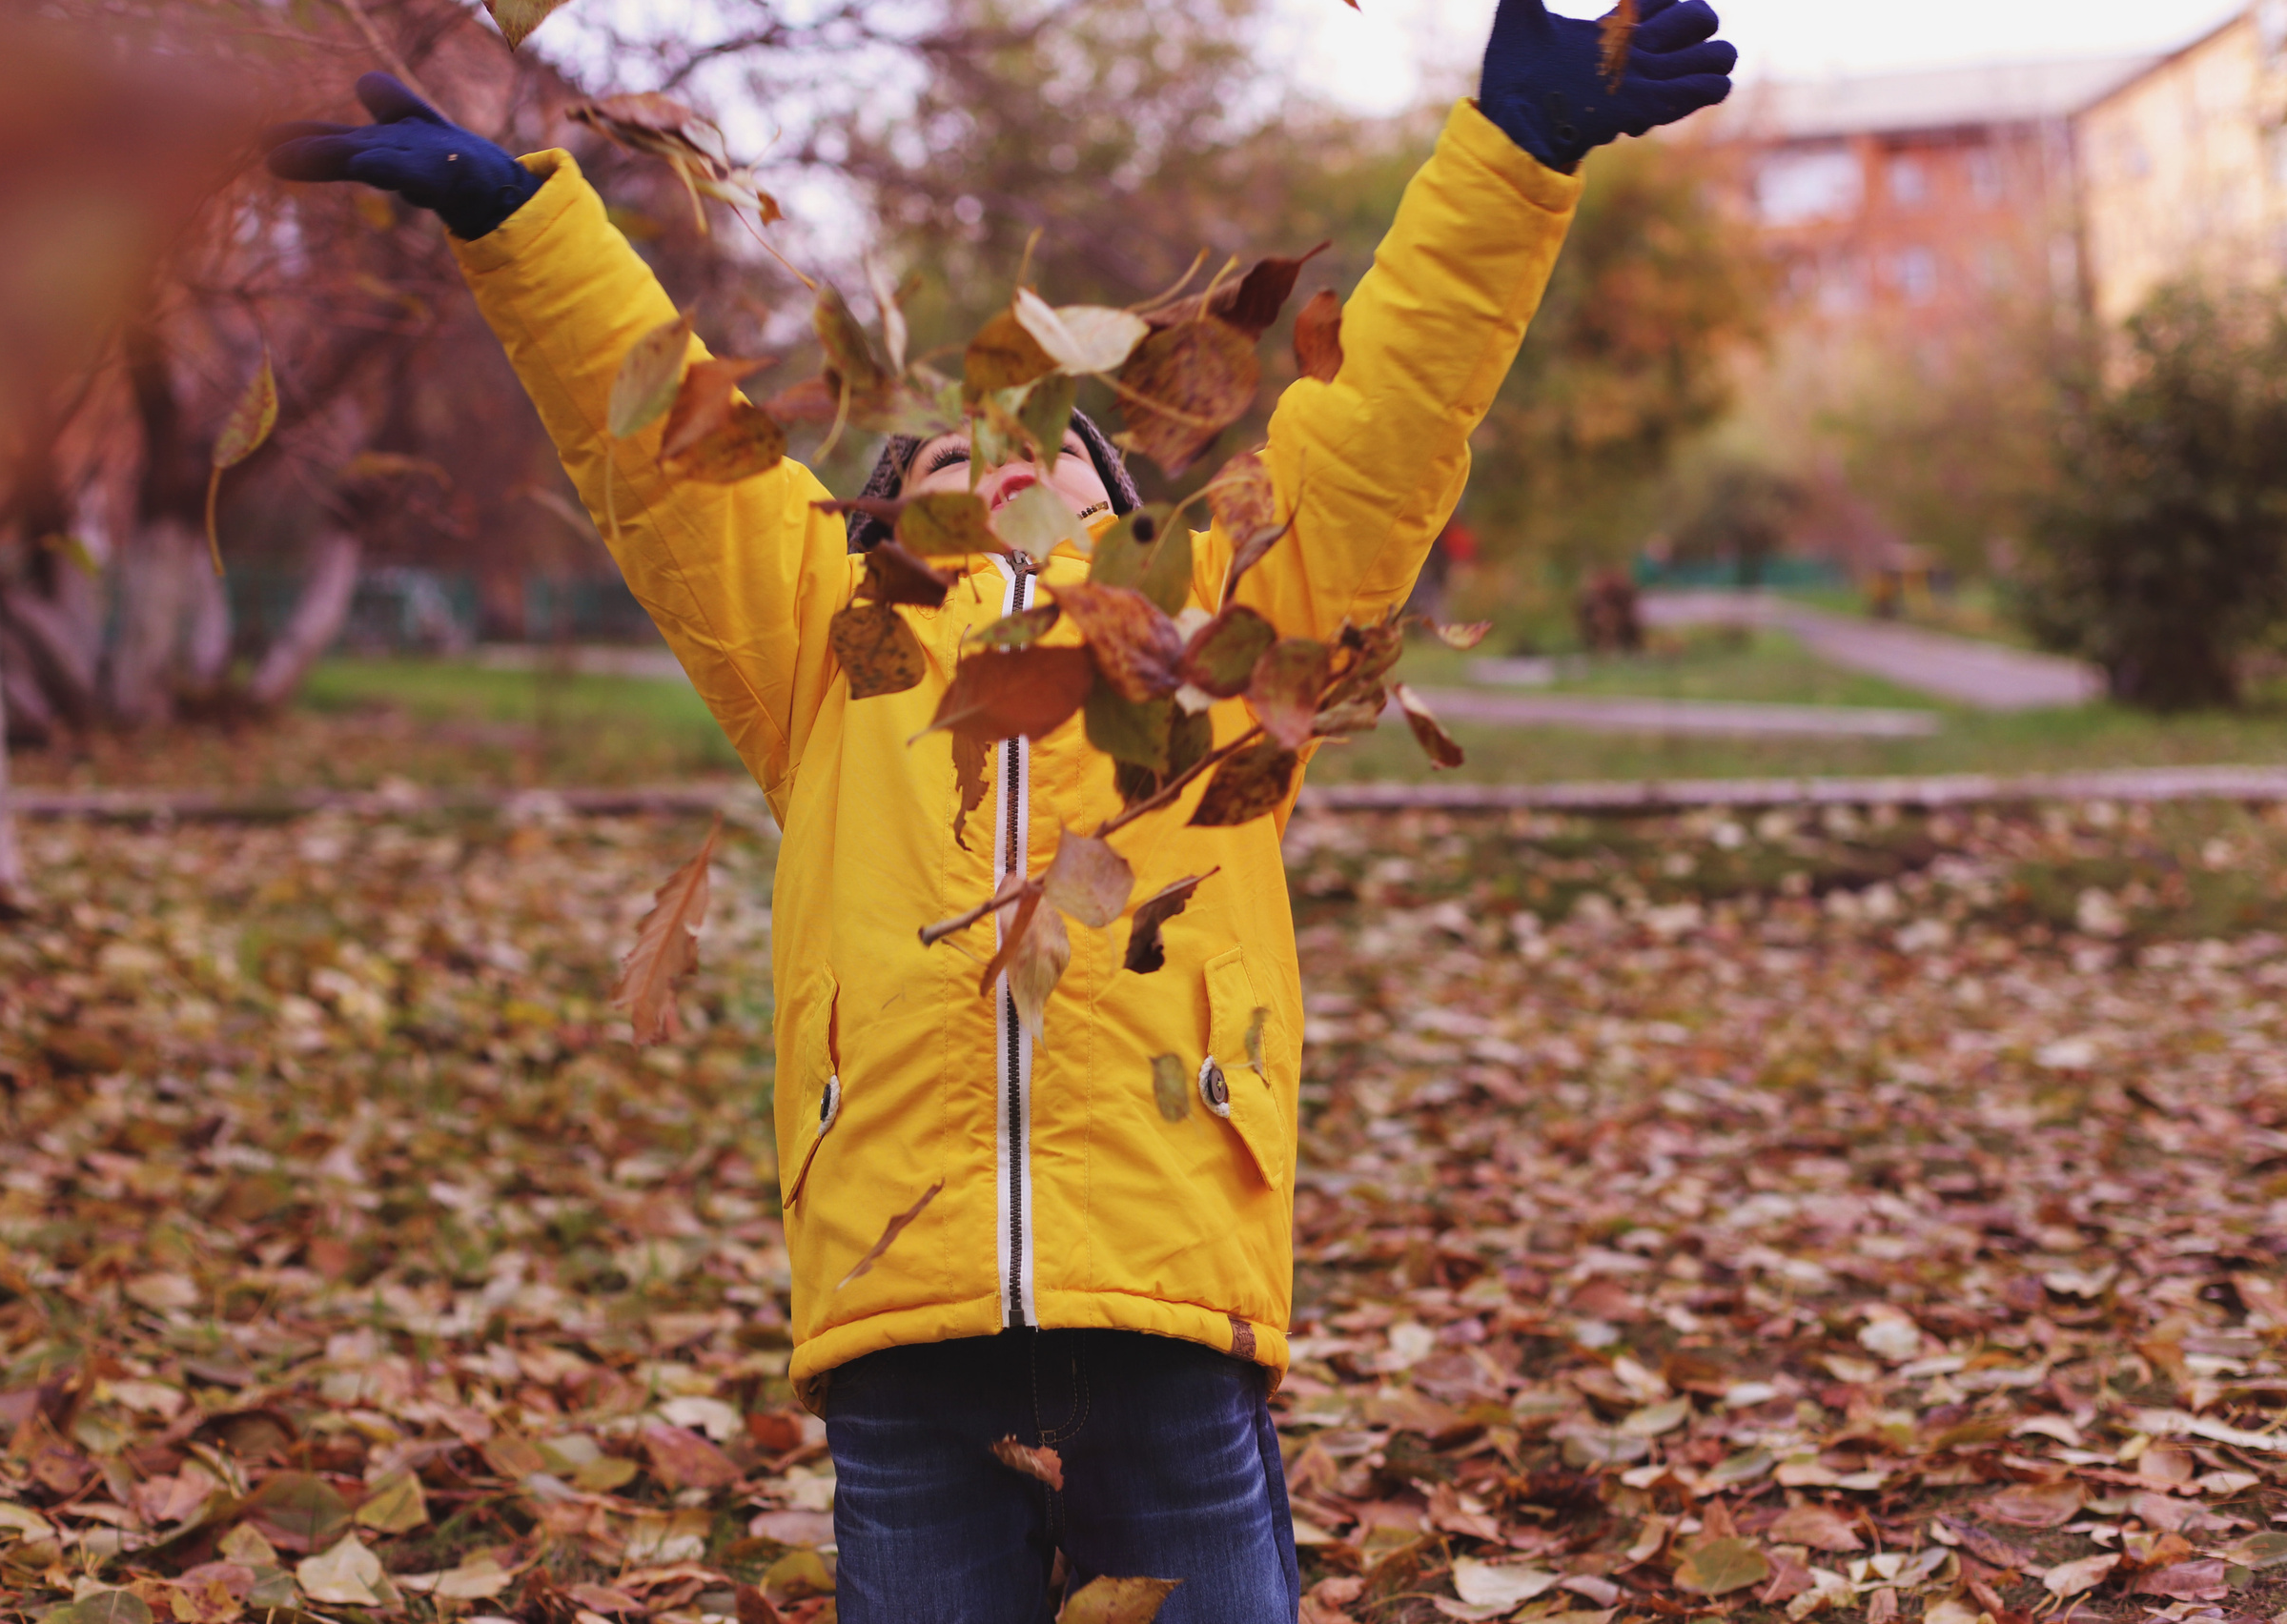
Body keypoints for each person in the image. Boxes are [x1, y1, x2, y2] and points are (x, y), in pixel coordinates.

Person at [265, 3, 1733, 1616]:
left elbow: (1385, 426)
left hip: (1163, 1265)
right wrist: (524, 223)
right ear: (873, 508)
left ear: (1130, 505)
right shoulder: (836, 645)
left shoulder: (1222, 629)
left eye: (1057, 442)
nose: (1007, 453)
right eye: (955, 447)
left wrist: (1511, 162)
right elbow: (672, 464)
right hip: (909, 1292)